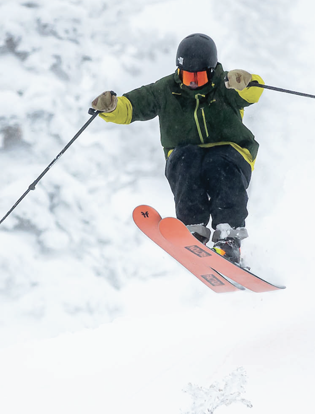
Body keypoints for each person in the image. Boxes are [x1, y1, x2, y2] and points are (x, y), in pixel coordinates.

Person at [90, 33, 264, 265]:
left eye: (199, 76)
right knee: (184, 160)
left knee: (219, 164)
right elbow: (132, 106)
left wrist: (246, 81)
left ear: (212, 71)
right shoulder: (166, 90)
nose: (191, 82)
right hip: (187, 152)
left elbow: (253, 91)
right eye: (186, 75)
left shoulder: (225, 85)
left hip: (231, 151)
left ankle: (228, 238)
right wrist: (111, 108)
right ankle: (192, 230)